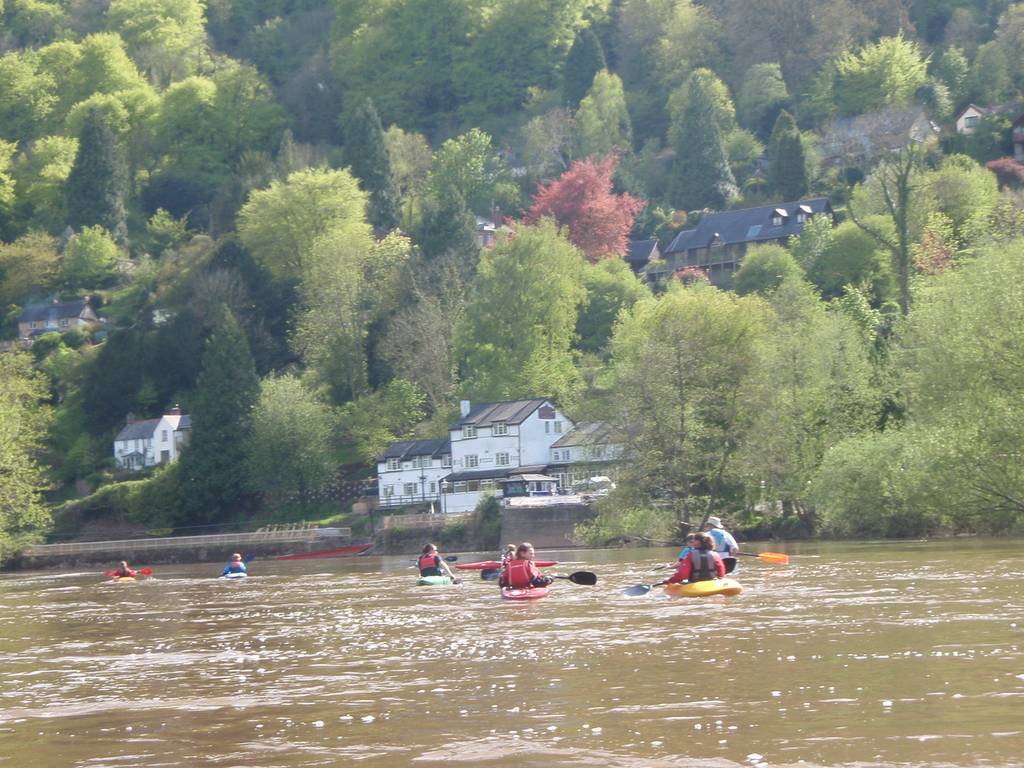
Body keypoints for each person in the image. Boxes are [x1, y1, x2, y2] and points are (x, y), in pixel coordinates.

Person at [659, 532, 725, 585]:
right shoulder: (715, 555)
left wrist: (670, 581)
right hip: (711, 583)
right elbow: (721, 572)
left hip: (695, 583)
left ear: (698, 542)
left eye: (694, 539)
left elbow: (683, 574)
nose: (692, 541)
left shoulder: (691, 555)